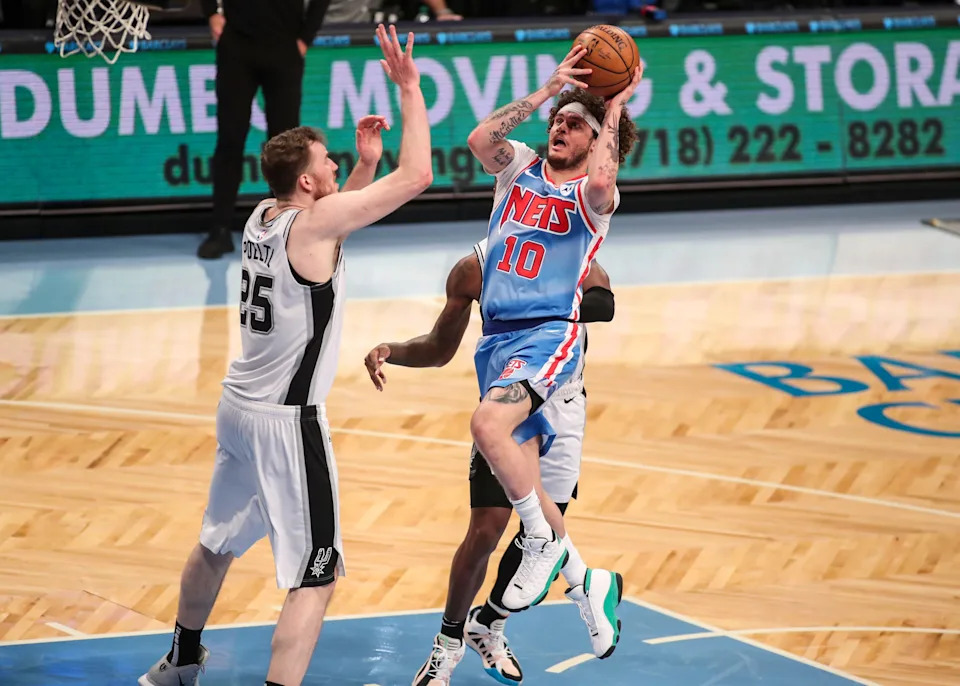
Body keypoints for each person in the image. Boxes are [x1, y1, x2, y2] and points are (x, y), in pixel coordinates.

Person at [139, 25, 432, 686]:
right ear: (307, 180)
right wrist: (409, 91)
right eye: (328, 163)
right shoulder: (313, 223)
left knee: (216, 542)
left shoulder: (263, 216)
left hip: (237, 410)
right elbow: (418, 176)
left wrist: (361, 163)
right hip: (285, 421)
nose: (335, 169)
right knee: (316, 575)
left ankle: (181, 661)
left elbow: (336, 218)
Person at [364, 241, 619, 685]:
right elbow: (440, 347)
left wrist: (547, 299)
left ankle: (490, 624)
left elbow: (604, 302)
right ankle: (446, 649)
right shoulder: (473, 269)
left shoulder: (568, 243)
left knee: (537, 537)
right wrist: (393, 349)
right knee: (486, 530)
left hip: (562, 402)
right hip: (509, 404)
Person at [459, 44, 642, 637]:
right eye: (556, 122)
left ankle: (541, 547)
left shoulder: (594, 199)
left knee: (490, 430)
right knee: (527, 483)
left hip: (549, 339)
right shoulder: (520, 167)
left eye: (574, 125)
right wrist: (548, 90)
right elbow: (480, 140)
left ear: (595, 142)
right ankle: (584, 579)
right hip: (498, 344)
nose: (559, 128)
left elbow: (606, 179)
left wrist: (610, 109)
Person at [196, 0, 333, 259]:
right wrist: (212, 13)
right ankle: (220, 228)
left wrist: (305, 37)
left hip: (285, 47)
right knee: (230, 139)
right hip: (237, 47)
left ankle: (285, 228)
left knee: (289, 149)